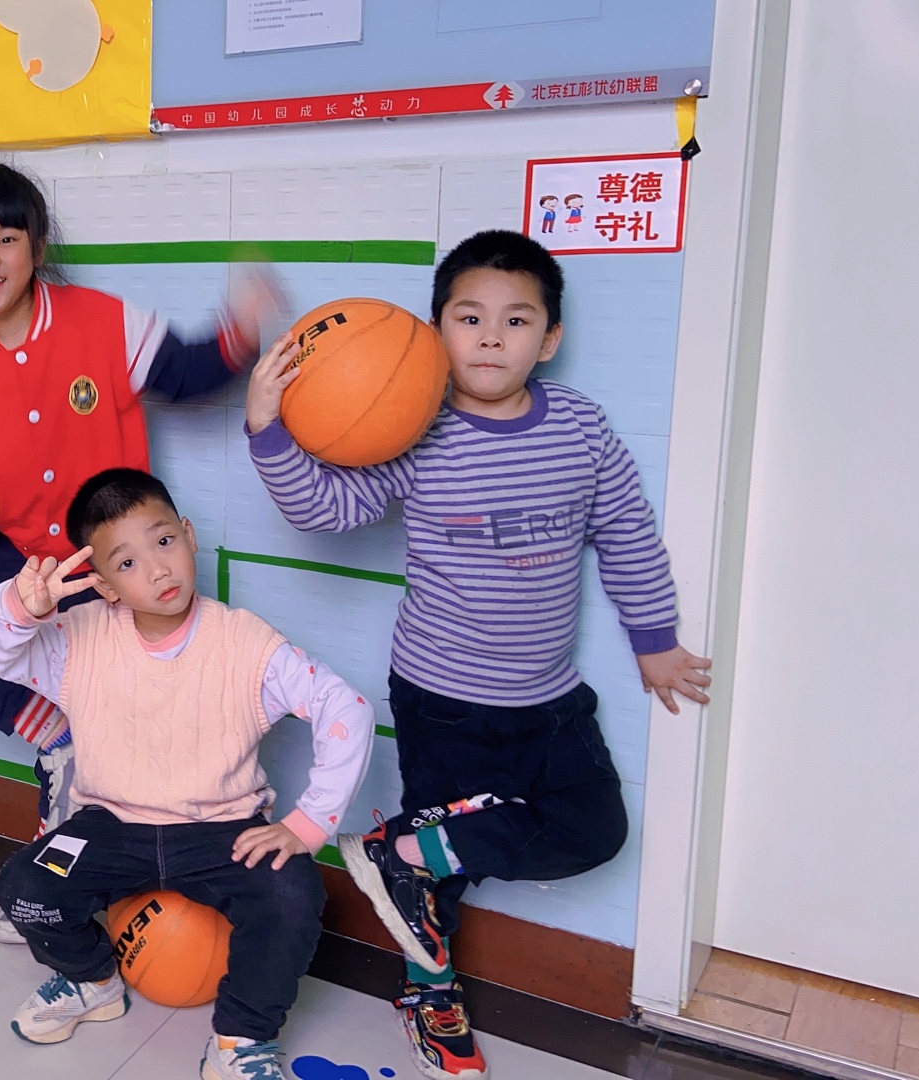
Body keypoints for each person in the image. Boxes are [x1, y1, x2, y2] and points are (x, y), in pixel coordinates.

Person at [244, 229, 712, 1079]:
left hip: (548, 699)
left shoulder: (579, 426)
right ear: (437, 332)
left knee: (594, 828)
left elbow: (625, 531)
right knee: (438, 880)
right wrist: (266, 426)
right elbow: (325, 511)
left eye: (516, 320)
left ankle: (394, 850)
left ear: (550, 338)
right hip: (443, 700)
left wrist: (655, 641)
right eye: (470, 318)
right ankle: (429, 997)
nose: (492, 338)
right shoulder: (414, 428)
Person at [0, 162, 278, 940]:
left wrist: (241, 330)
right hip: (17, 556)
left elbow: (185, 373)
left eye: (7, 238)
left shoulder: (103, 321)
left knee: (131, 722)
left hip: (107, 562)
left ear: (37, 247)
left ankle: (88, 869)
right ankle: (54, 736)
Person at [0, 468, 372, 1080]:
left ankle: (241, 1039)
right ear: (104, 584)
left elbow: (345, 708)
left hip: (222, 830)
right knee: (23, 887)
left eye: (164, 542)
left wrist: (308, 822)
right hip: (109, 827)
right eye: (127, 563)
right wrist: (20, 609)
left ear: (189, 535)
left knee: (294, 897)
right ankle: (92, 982)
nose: (158, 570)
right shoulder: (77, 637)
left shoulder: (244, 641)